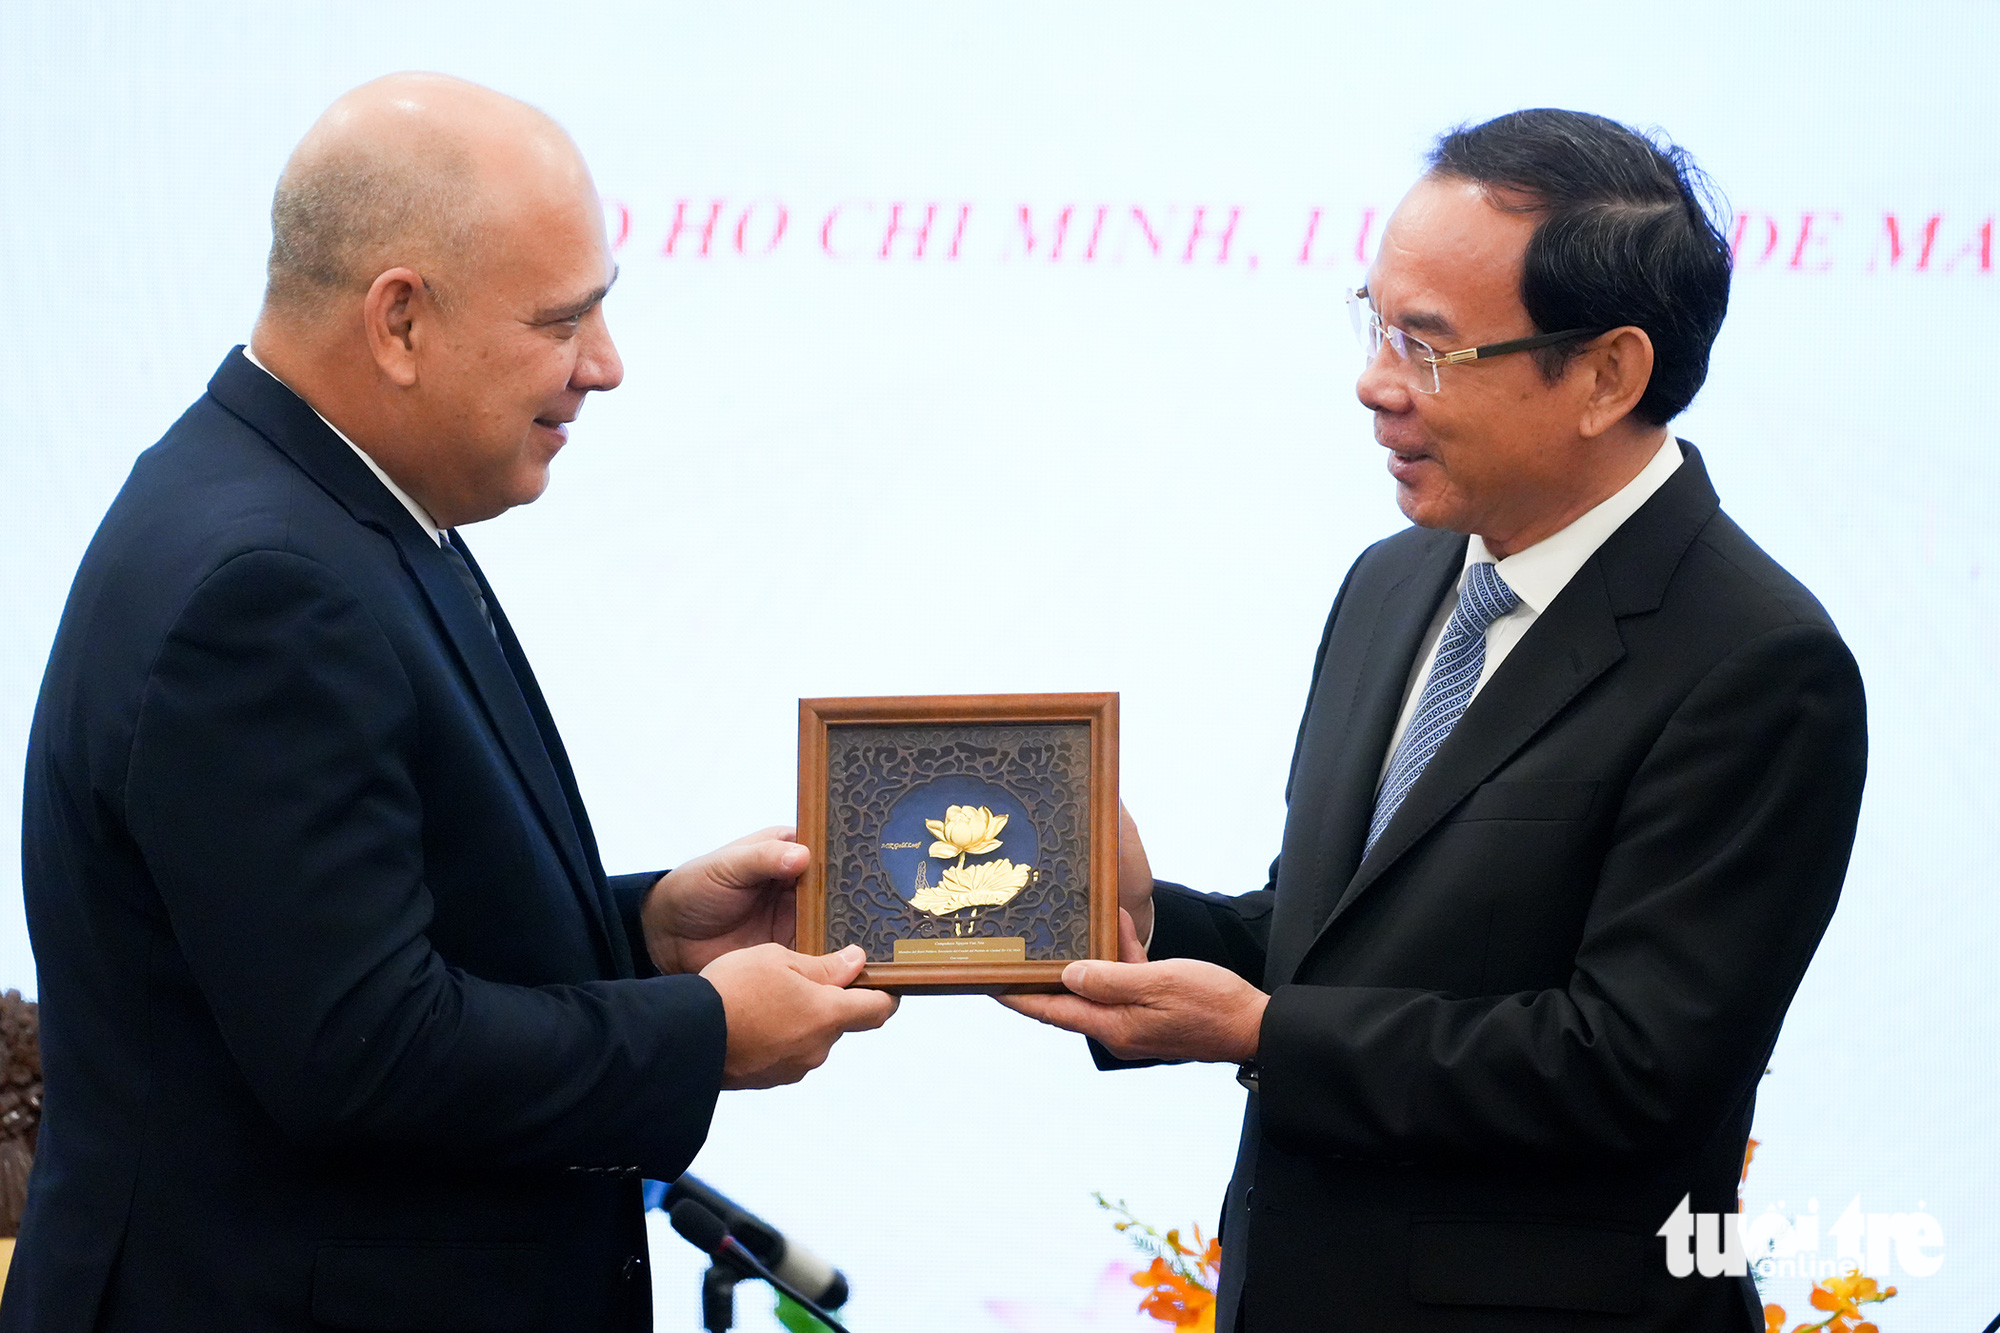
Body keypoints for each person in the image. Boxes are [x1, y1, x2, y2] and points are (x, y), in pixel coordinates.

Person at [7, 74, 896, 1331]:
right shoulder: (262, 582)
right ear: (400, 322)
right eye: (559, 321)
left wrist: (641, 936)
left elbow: (343, 932)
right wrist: (696, 1033)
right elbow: (367, 1050)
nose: (606, 366)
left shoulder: (322, 504)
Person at [1007, 109, 1867, 1331]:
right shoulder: (1394, 579)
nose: (1372, 383)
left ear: (1606, 375)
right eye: (1372, 320)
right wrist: (1148, 926)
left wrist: (1260, 1032)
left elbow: (1630, 1070)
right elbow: (1359, 943)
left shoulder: (1757, 662)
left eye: (1427, 346)